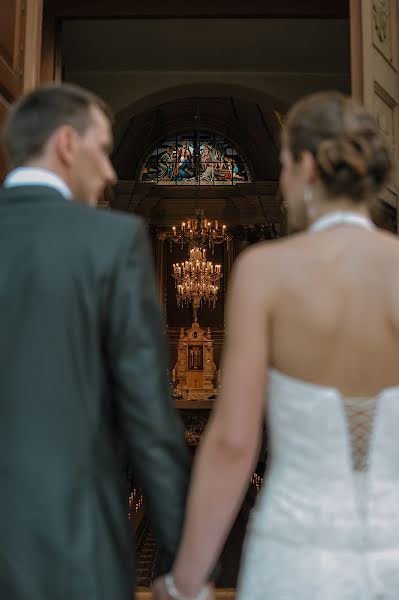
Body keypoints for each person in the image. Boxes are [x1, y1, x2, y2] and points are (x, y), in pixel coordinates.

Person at [153, 91, 398, 600]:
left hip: (295, 555)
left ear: (306, 166)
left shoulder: (266, 271)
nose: (282, 186)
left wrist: (187, 579)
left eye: (284, 167)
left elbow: (234, 444)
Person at [0, 83, 190, 600]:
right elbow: (149, 418)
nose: (110, 172)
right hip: (74, 544)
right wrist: (180, 563)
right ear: (66, 143)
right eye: (103, 150)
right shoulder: (110, 241)